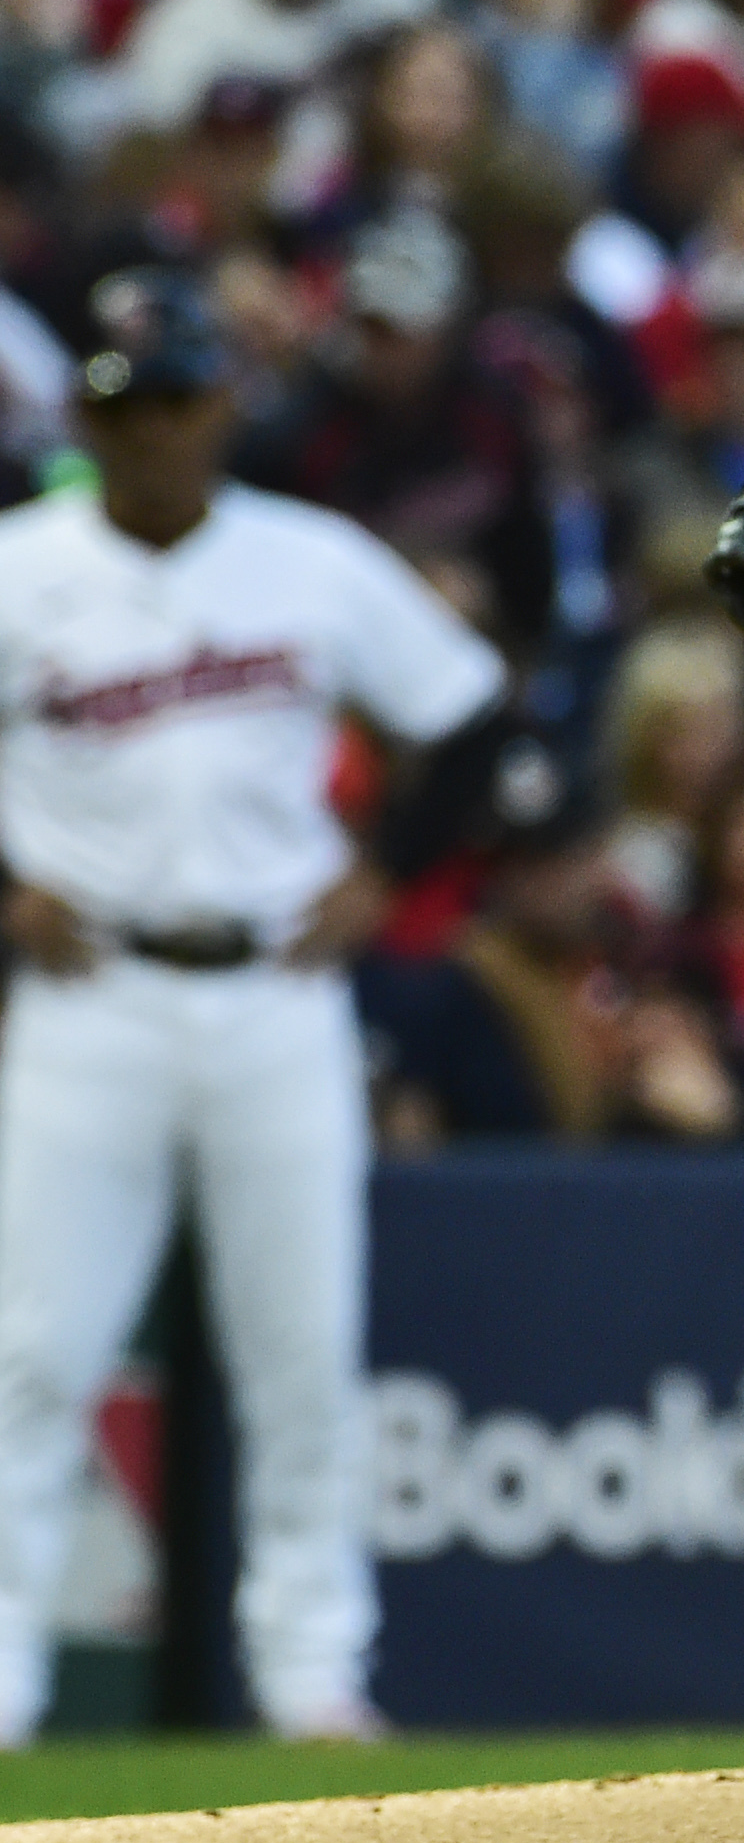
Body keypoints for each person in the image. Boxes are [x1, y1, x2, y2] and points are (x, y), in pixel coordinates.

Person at [0, 271, 508, 1744]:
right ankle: (8, 1677)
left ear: (223, 402)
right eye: (122, 406)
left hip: (278, 991)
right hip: (85, 991)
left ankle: (309, 1677)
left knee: (302, 1355)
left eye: (171, 398)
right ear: (92, 418)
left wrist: (387, 872)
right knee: (37, 1354)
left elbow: (475, 723)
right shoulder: (22, 565)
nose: (150, 430)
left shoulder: (308, 560)